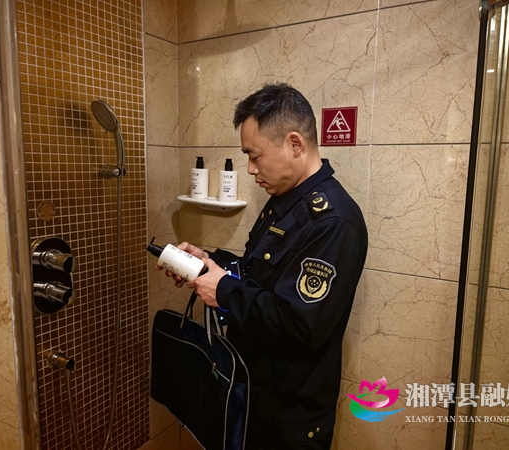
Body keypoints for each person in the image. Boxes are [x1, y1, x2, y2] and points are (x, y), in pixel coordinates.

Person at [157, 83, 368, 450]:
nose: (250, 169)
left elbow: (299, 324)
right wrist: (209, 264)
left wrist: (223, 290)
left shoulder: (332, 222)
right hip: (255, 394)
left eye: (255, 156)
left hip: (289, 417)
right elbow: (260, 276)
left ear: (295, 144)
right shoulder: (285, 200)